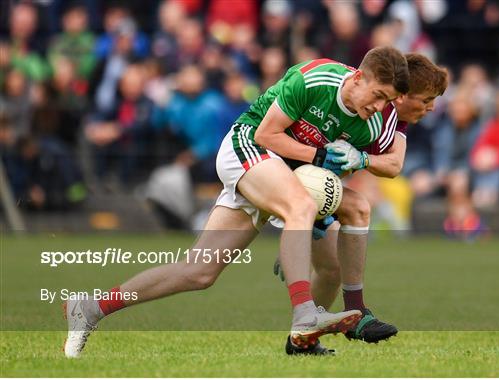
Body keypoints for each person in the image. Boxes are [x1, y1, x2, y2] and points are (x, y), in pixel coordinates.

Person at [64, 46, 410, 358]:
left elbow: (373, 167)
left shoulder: (373, 122)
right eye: (378, 95)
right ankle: (305, 315)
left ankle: (91, 308)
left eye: (388, 101)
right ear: (359, 77)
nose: (379, 107)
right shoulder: (315, 78)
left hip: (279, 172)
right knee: (300, 206)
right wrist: (317, 168)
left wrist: (342, 175)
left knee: (198, 272)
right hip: (247, 146)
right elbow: (267, 135)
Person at [275, 53, 449, 353]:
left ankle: (302, 338)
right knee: (199, 271)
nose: (431, 107)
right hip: (276, 170)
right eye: (426, 99)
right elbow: (384, 163)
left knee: (332, 269)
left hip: (309, 184)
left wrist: (321, 211)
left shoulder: (391, 121)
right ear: (401, 95)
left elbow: (390, 164)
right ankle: (354, 310)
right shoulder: (369, 108)